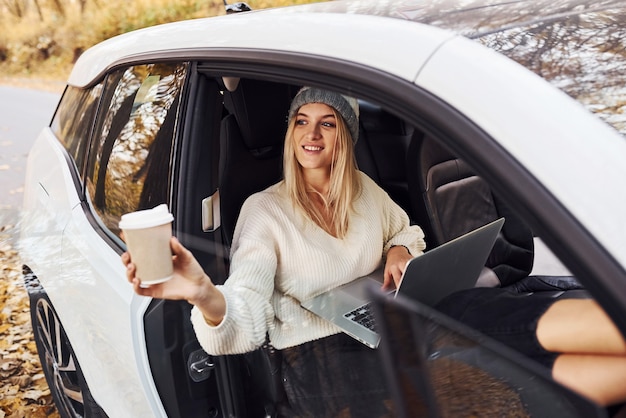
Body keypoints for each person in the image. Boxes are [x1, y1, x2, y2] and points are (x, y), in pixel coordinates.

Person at [122, 87, 626, 414]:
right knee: (493, 375)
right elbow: (247, 313)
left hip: (403, 313)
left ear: (346, 134)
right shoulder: (264, 211)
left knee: (487, 309)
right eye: (301, 121)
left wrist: (399, 253)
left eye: (327, 123)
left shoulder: (364, 189)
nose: (311, 134)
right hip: (328, 358)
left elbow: (405, 229)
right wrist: (205, 294)